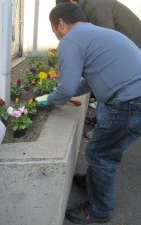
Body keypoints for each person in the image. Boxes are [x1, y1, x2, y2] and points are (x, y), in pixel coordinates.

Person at [36, 3, 141, 224]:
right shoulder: (96, 32)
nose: (55, 34)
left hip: (129, 101)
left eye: (53, 28)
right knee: (106, 148)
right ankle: (95, 182)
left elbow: (65, 89)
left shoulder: (70, 41)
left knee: (101, 155)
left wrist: (49, 100)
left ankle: (99, 210)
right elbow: (85, 83)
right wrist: (60, 92)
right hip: (134, 95)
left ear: (61, 23)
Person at [56, 0, 141, 140]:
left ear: (72, 2)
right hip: (133, 54)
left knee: (101, 152)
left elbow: (105, 55)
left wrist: (54, 97)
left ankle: (103, 129)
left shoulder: (95, 5)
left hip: (134, 53)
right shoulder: (88, 9)